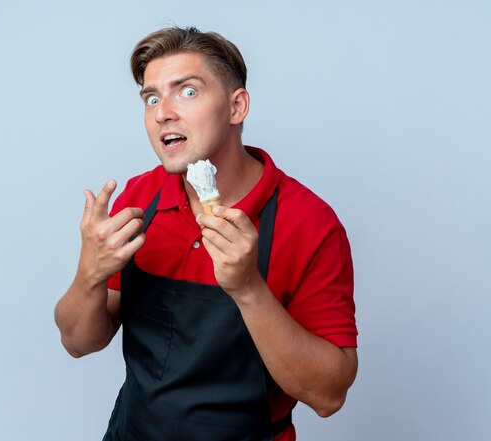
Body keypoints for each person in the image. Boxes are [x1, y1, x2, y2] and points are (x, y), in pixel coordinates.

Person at [54, 26, 358, 441]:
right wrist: (89, 273)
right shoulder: (142, 197)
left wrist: (249, 288)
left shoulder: (309, 223)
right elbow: (78, 342)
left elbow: (329, 395)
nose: (163, 112)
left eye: (188, 91)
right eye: (152, 97)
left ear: (237, 107)